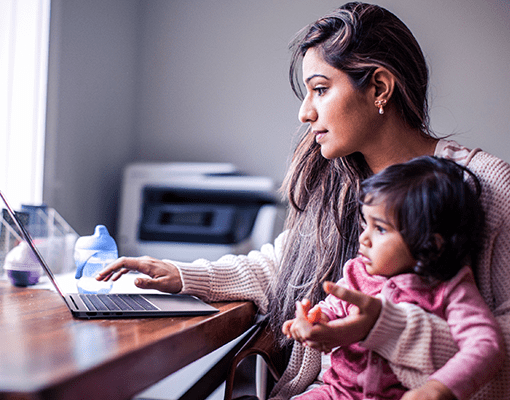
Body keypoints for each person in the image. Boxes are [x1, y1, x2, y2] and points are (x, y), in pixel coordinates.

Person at [97, 3, 510, 399]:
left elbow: (498, 344)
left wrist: (388, 330)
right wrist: (182, 275)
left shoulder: (485, 187)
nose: (305, 113)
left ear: (380, 88)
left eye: (320, 90)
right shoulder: (334, 182)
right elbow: (285, 267)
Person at [282, 156, 505, 400]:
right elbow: (330, 310)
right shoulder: (358, 273)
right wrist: (313, 321)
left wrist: (438, 389)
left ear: (430, 244)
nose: (363, 238)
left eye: (380, 228)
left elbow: (486, 345)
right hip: (337, 393)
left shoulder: (450, 288)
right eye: (365, 223)